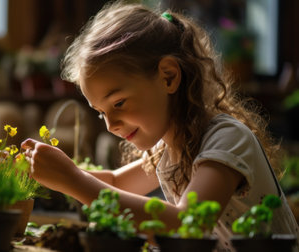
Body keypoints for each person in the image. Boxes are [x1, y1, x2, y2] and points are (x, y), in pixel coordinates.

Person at [21, 1, 299, 251]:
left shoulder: (227, 139)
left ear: (168, 77)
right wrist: (45, 170)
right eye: (100, 113)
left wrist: (72, 179)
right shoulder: (169, 149)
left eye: (118, 103)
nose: (110, 125)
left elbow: (185, 226)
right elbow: (117, 182)